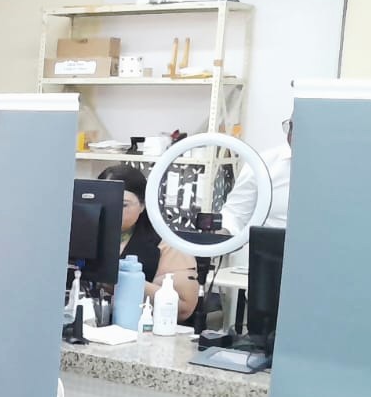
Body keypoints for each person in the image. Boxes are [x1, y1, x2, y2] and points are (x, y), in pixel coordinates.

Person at [98, 164, 199, 323]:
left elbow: (183, 308)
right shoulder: (82, 235)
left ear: (143, 205)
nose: (113, 210)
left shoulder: (168, 244)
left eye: (123, 205)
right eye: (104, 202)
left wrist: (124, 282)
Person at [221, 117, 292, 232]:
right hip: (271, 242)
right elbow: (235, 214)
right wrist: (223, 233)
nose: (292, 134)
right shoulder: (262, 164)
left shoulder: (325, 166)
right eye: (290, 126)